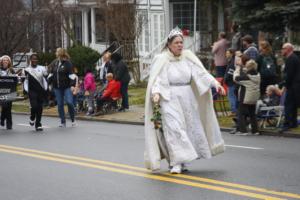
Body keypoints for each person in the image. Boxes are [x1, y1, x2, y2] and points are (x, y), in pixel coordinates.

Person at [144, 28, 226, 174]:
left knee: (186, 130)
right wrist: (156, 93)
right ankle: (175, 162)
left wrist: (216, 84)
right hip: (169, 97)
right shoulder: (162, 60)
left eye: (181, 42)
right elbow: (158, 79)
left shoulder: (188, 58)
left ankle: (181, 161)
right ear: (169, 44)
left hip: (187, 98)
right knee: (174, 129)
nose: (180, 45)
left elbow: (201, 74)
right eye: (176, 43)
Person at [48, 48, 76, 127]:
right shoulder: (55, 63)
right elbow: (51, 74)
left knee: (69, 102)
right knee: (60, 104)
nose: (55, 53)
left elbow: (72, 75)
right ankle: (63, 122)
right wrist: (48, 83)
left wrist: (72, 85)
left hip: (67, 87)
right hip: (57, 87)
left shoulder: (68, 63)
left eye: (56, 51)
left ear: (60, 53)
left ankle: (73, 119)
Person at [233, 60, 261, 136]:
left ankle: (243, 131)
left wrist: (237, 70)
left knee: (241, 113)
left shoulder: (246, 77)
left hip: (246, 96)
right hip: (254, 97)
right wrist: (243, 68)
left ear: (248, 67)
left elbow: (235, 78)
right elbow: (248, 73)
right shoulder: (258, 75)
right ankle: (255, 131)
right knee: (252, 114)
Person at [23, 54, 48, 131]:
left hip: (41, 91)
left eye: (36, 59)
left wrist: (47, 89)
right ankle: (32, 117)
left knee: (40, 108)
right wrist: (25, 91)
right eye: (33, 59)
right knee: (34, 106)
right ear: (30, 60)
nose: (34, 60)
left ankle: (38, 124)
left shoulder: (42, 68)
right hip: (32, 91)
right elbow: (24, 81)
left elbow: (46, 77)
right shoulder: (26, 70)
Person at [280, 43, 300, 132]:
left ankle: (287, 124)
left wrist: (284, 86)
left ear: (288, 49)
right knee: (293, 105)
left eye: (283, 48)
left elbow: (289, 75)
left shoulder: (291, 59)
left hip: (292, 85)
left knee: (288, 105)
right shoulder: (294, 58)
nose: (282, 50)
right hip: (295, 85)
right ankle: (293, 123)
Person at [0, 55, 15, 130]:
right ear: (1, 62)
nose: (5, 61)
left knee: (9, 108)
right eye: (4, 60)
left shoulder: (11, 70)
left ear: (9, 62)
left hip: (10, 90)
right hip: (1, 91)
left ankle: (9, 124)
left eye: (7, 60)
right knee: (4, 106)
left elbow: (15, 79)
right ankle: (2, 118)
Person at [224, 48, 238, 115]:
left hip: (231, 82)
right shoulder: (232, 61)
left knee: (231, 96)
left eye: (227, 53)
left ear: (232, 54)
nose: (226, 54)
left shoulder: (232, 62)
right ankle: (234, 110)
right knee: (233, 96)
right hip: (232, 82)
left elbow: (230, 72)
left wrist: (226, 79)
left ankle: (234, 110)